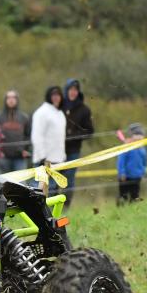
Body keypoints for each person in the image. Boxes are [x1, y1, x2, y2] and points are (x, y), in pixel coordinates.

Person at [61, 78, 94, 206]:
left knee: (69, 179)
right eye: (71, 89)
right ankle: (51, 206)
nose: (73, 92)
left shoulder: (84, 110)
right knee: (54, 179)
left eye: (75, 90)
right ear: (66, 90)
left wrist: (73, 136)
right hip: (56, 150)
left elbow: (89, 131)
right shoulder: (59, 106)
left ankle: (65, 206)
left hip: (73, 151)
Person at [30, 86, 67, 174]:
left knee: (54, 188)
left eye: (58, 95)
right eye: (53, 95)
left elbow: (61, 137)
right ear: (48, 96)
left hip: (58, 160)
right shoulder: (41, 112)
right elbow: (37, 136)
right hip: (44, 161)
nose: (56, 97)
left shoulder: (60, 113)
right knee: (40, 187)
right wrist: (42, 158)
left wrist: (63, 157)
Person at [0, 90, 31, 173]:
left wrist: (25, 149)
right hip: (3, 158)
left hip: (19, 158)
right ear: (5, 100)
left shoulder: (24, 117)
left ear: (17, 100)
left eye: (13, 97)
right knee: (2, 183)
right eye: (8, 97)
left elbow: (28, 135)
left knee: (20, 184)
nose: (11, 100)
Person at [117, 123, 147, 204]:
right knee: (123, 195)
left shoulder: (142, 149)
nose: (139, 137)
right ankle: (121, 209)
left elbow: (144, 162)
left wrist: (143, 172)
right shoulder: (126, 147)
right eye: (136, 134)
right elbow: (121, 161)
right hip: (125, 177)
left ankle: (133, 209)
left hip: (137, 177)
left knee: (135, 195)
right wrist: (122, 173)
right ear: (131, 136)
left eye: (140, 135)